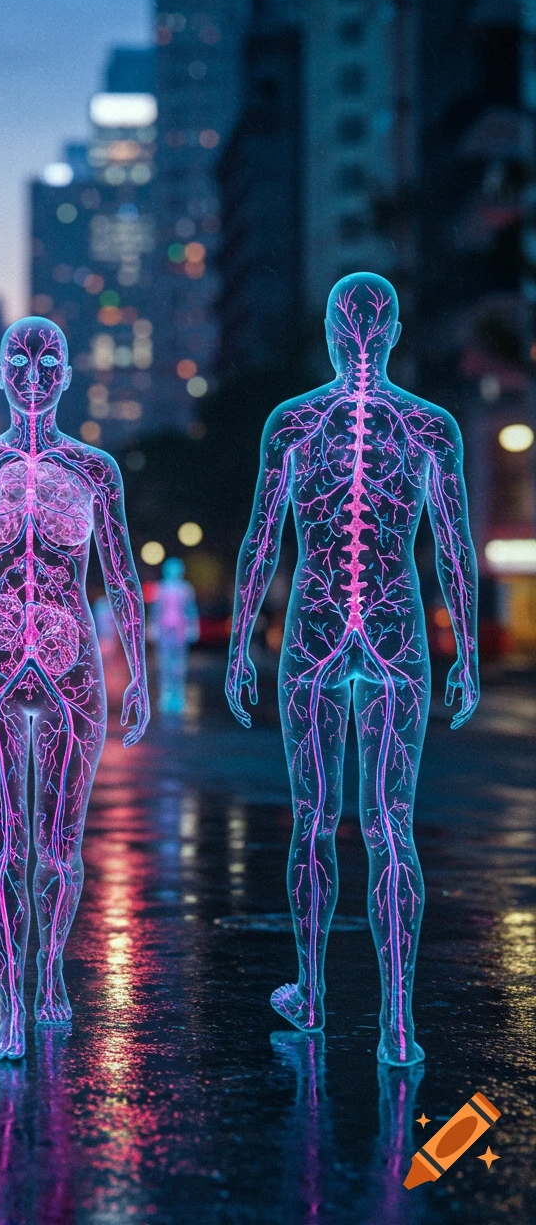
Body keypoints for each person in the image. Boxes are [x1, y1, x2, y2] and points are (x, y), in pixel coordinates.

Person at [226, 274, 479, 1066]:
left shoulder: (297, 421)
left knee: (314, 819)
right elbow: (455, 549)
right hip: (397, 631)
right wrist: (467, 653)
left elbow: (262, 541)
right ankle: (396, 1023)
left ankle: (313, 993)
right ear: (393, 332)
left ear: (333, 335)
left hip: (318, 626)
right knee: (389, 823)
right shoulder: (428, 426)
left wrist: (240, 644)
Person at [0, 317, 150, 1060]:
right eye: (20, 360)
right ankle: (12, 1005)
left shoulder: (95, 469)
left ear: (68, 375)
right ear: (1, 374)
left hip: (72, 669)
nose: (34, 375)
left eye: (49, 362)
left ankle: (50, 978)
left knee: (60, 849)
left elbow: (123, 576)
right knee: (4, 850)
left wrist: (140, 672)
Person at [149, 557, 200, 714]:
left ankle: (178, 695)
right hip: (165, 629)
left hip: (180, 630)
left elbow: (190, 609)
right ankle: (166, 695)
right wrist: (153, 627)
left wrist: (193, 627)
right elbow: (156, 610)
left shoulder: (185, 589)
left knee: (179, 665)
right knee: (164, 664)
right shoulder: (161, 588)